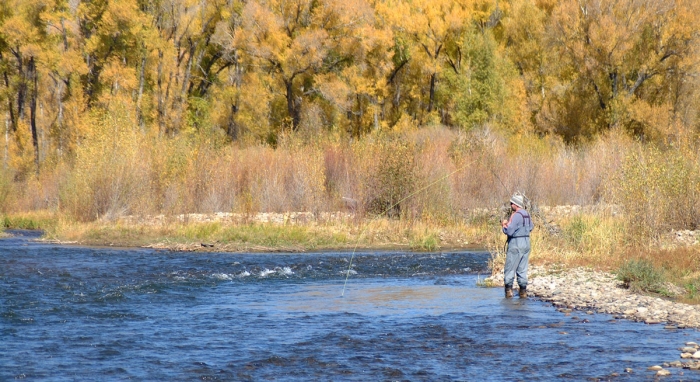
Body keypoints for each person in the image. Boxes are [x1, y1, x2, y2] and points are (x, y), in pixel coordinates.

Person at [501, 193, 534, 298]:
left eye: (512, 203)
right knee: (522, 269)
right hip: (526, 242)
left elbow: (509, 231)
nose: (511, 205)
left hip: (516, 243)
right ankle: (523, 293)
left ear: (516, 204)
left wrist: (504, 226)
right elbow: (531, 227)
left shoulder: (516, 215)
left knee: (510, 268)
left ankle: (508, 293)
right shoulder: (526, 214)